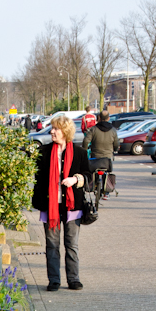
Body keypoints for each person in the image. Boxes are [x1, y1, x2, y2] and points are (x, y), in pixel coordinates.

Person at [31, 114, 91, 292]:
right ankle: (54, 280)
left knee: (71, 244)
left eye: (56, 128)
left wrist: (75, 179)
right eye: (52, 128)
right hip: (51, 206)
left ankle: (73, 279)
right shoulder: (44, 152)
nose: (52, 131)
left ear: (65, 131)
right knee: (52, 245)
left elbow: (88, 177)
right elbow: (38, 179)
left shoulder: (79, 153)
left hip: (72, 206)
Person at [82, 111, 119, 197]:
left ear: (99, 118)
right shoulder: (113, 130)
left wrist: (84, 150)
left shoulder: (94, 129)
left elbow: (86, 141)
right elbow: (116, 143)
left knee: (92, 171)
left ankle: (93, 186)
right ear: (108, 118)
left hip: (96, 157)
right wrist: (115, 149)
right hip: (107, 157)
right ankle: (106, 192)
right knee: (107, 172)